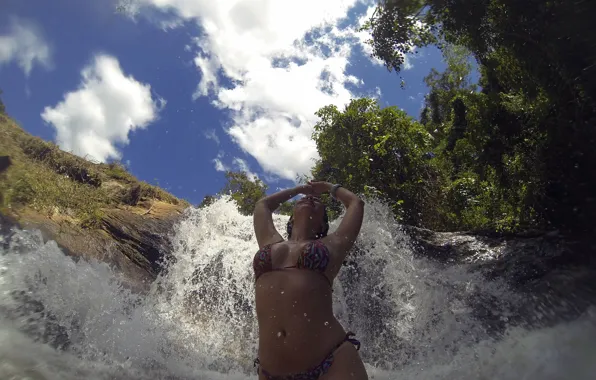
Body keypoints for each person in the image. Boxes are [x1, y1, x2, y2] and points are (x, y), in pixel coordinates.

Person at [252, 180, 368, 380]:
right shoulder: (270, 240)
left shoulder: (334, 243)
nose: (309, 199)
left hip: (331, 362)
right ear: (291, 218)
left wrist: (327, 187)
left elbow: (355, 203)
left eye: (317, 202)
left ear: (323, 224)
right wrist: (298, 190)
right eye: (304, 199)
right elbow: (263, 205)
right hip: (272, 372)